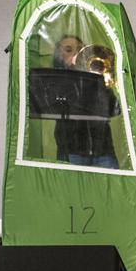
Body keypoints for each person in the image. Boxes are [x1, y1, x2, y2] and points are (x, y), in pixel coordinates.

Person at [51, 33, 119, 169]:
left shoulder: (95, 81)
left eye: (80, 50)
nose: (77, 54)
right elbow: (55, 108)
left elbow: (114, 109)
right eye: (69, 50)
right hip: (73, 152)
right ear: (59, 56)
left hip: (104, 152)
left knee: (111, 189)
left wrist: (99, 81)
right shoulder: (55, 80)